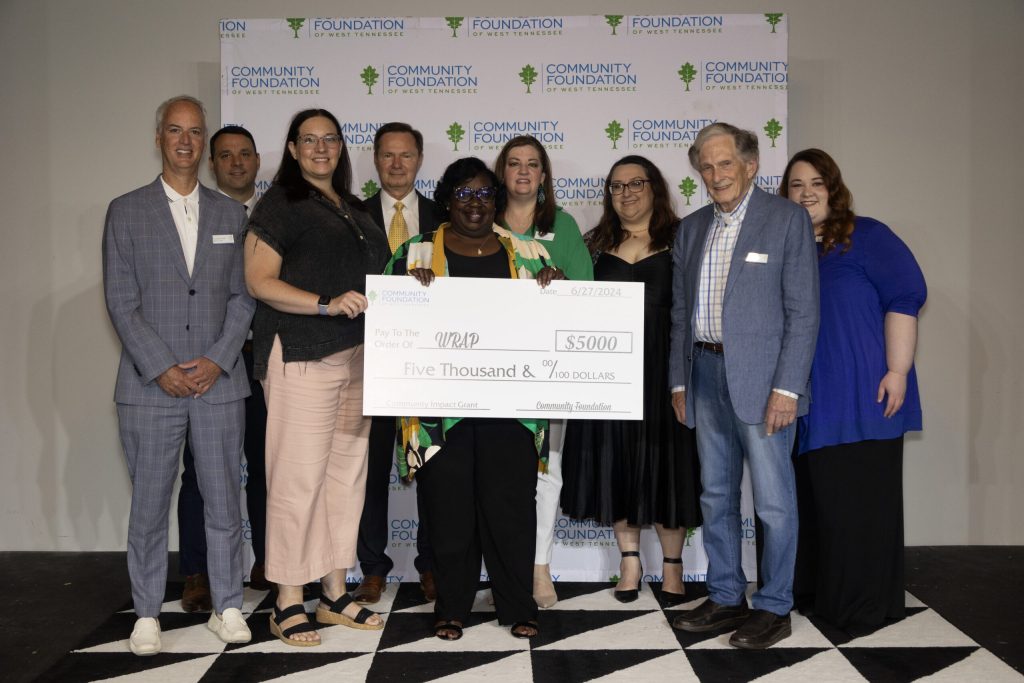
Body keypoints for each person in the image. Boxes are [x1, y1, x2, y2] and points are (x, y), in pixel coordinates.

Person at [385, 157, 564, 641]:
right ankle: (451, 606)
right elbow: (385, 319)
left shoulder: (529, 254)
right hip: (438, 414)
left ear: (496, 200)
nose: (475, 202)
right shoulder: (414, 253)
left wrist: (557, 290)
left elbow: (557, 322)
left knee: (512, 510)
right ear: (447, 200)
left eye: (484, 193)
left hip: (513, 409)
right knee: (448, 511)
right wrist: (406, 292)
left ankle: (518, 603)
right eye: (463, 193)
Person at [102, 95, 255, 655]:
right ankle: (146, 614)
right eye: (175, 130)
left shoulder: (230, 214)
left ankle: (228, 605)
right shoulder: (126, 210)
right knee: (148, 506)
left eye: (194, 131)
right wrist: (162, 366)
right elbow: (121, 301)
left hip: (219, 383)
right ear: (159, 138)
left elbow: (243, 297)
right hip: (150, 386)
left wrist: (217, 359)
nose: (185, 141)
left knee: (224, 501)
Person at [668, 122, 819, 649]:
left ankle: (775, 606)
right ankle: (727, 595)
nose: (716, 175)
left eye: (725, 163)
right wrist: (678, 381)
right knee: (715, 495)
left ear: (750, 166)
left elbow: (804, 312)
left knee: (774, 502)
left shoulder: (786, 219)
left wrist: (788, 388)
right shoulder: (691, 229)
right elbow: (681, 314)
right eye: (707, 167)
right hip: (704, 375)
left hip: (765, 382)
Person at [244, 108, 389, 646]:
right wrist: (325, 304)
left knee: (344, 479)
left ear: (341, 147)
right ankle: (287, 600)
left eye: (330, 139)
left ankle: (333, 592)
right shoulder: (280, 203)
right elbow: (259, 281)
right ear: (292, 148)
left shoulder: (355, 207)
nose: (321, 148)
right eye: (309, 139)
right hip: (302, 353)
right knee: (296, 479)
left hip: (357, 359)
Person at [781, 148, 926, 635]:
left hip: (863, 394)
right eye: (796, 185)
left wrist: (898, 370)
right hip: (805, 399)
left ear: (833, 188)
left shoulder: (868, 236)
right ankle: (816, 595)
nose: (806, 193)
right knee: (818, 502)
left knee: (858, 503)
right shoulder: (788, 247)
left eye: (816, 183)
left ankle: (860, 606)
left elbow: (905, 297)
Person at [560, 155, 702, 607]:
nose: (626, 193)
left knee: (668, 465)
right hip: (610, 376)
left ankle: (674, 566)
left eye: (635, 183)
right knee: (617, 462)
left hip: (667, 373)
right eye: (617, 186)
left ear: (654, 187)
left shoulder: (683, 240)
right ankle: (630, 563)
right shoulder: (593, 245)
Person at [493, 135, 593, 608]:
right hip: (491, 368)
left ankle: (539, 566)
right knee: (498, 472)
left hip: (550, 368)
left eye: (532, 164)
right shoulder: (482, 221)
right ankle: (503, 569)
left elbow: (588, 293)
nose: (523, 171)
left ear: (544, 175)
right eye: (514, 163)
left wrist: (562, 283)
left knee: (546, 471)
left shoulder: (562, 225)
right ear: (502, 172)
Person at [177, 125, 269, 613]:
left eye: (244, 154)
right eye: (226, 155)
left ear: (258, 161)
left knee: (267, 465)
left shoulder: (276, 214)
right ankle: (198, 572)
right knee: (202, 471)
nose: (236, 163)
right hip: (209, 362)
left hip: (265, 360)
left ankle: (269, 563)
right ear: (212, 164)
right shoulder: (194, 216)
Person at [351, 122, 444, 606]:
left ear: (419, 159)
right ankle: (372, 568)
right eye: (388, 155)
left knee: (432, 469)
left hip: (426, 368)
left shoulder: (444, 217)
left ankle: (431, 565)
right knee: (368, 474)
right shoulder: (352, 215)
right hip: (367, 364)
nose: (397, 164)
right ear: (375, 159)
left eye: (406, 155)